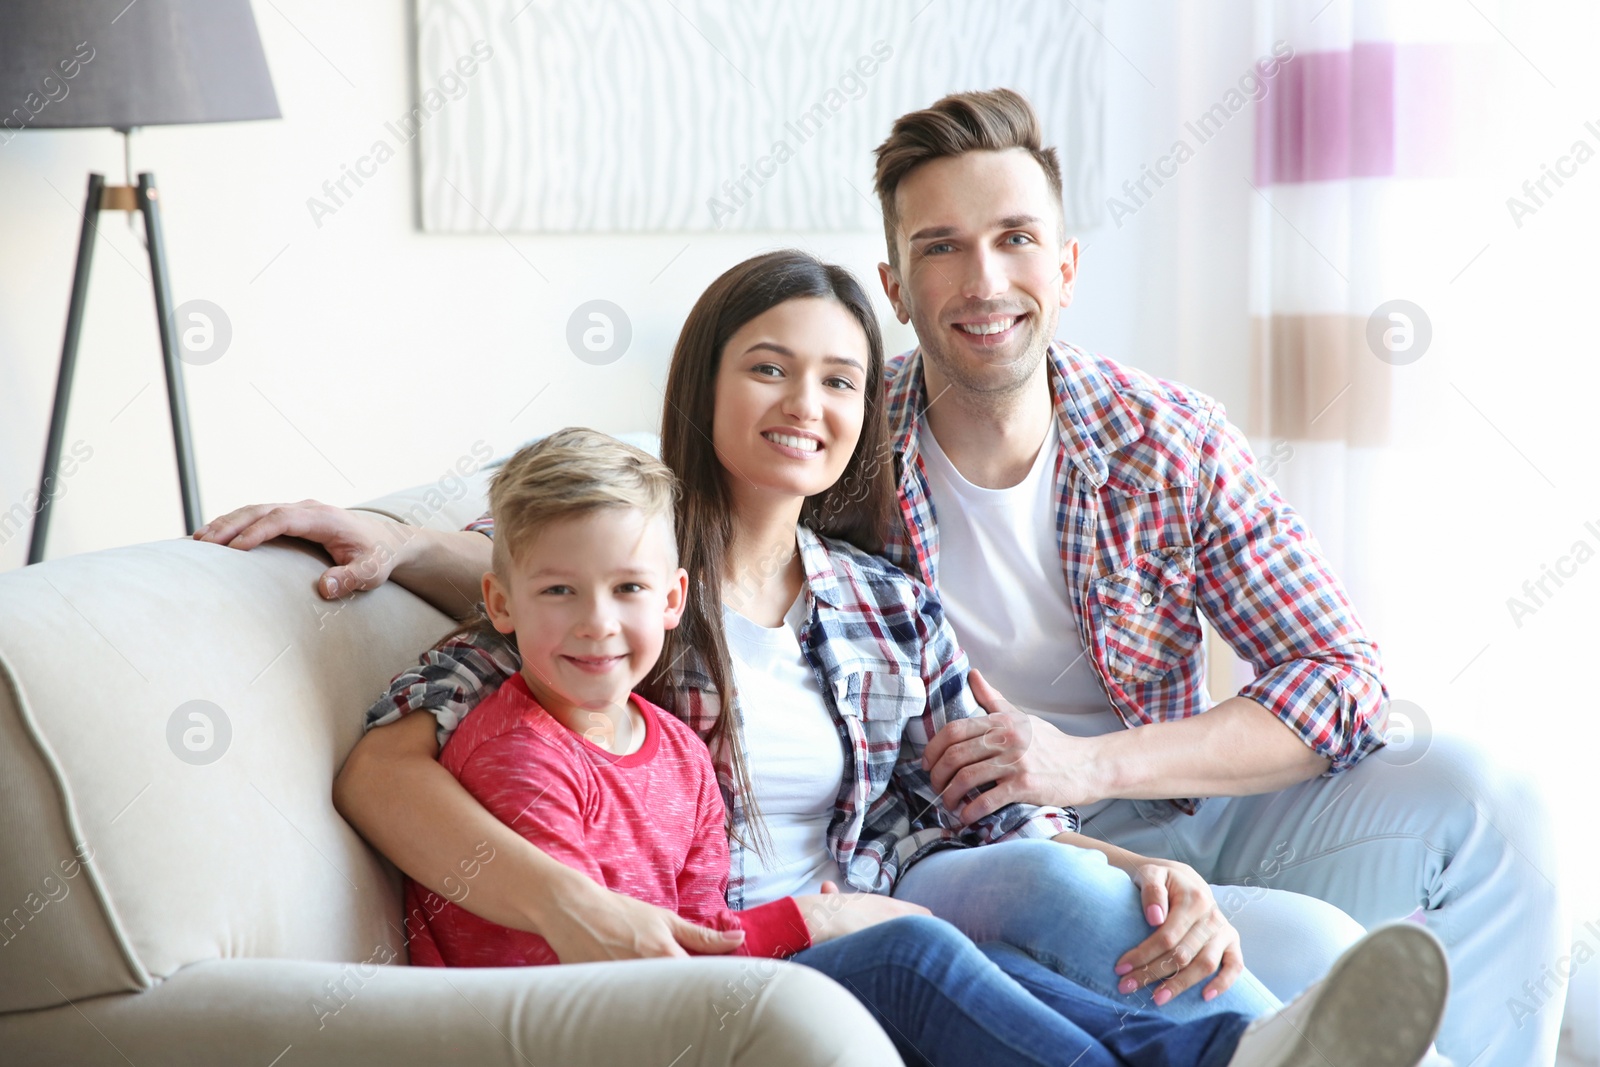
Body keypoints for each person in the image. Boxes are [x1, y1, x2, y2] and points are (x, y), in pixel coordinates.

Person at [203, 249, 1451, 1067]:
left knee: (1199, 920)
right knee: (942, 944)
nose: (806, 402)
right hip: (744, 942)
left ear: (866, 412)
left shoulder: (887, 604)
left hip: (882, 905)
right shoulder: (621, 576)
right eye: (769, 367)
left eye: (841, 380)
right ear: (707, 383)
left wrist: (1144, 864)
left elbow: (984, 811)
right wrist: (577, 904)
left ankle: (1263, 1048)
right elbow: (390, 758)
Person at [399, 424, 1449, 1067]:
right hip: (575, 1020)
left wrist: (1122, 851)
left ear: (673, 601)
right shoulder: (520, 753)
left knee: (970, 952)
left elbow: (693, 917)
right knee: (909, 952)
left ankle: (1221, 1050)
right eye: (556, 593)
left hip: (686, 982)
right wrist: (816, 915)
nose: (595, 624)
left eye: (627, 591)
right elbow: (595, 963)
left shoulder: (672, 743)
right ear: (496, 597)